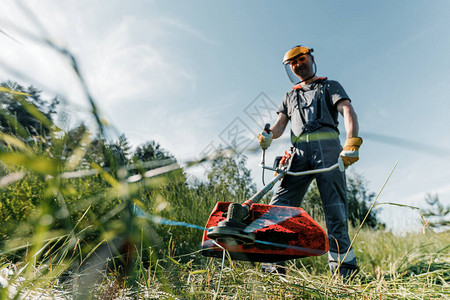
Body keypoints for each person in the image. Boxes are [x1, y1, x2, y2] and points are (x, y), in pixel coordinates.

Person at [258, 45, 362, 279]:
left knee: (334, 210)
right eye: (293, 63)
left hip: (328, 148)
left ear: (311, 58)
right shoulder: (290, 96)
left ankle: (343, 270)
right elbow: (279, 126)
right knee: (279, 206)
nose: (298, 65)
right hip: (298, 153)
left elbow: (347, 110)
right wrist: (267, 136)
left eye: (301, 59)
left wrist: (351, 142)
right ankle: (274, 267)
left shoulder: (329, 86)